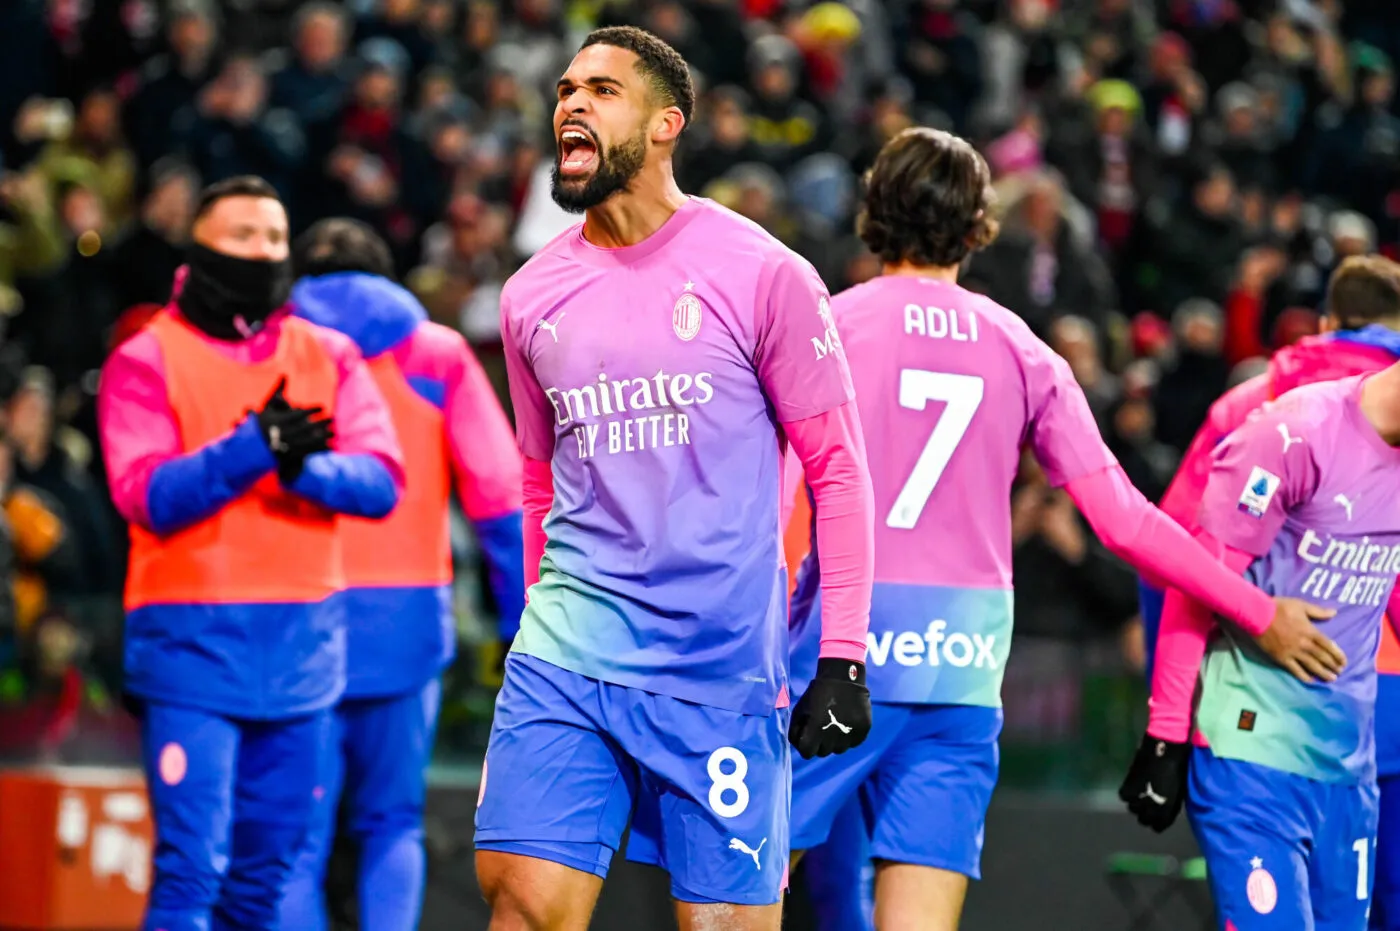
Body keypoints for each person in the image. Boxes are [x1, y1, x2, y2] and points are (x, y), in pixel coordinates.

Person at [784, 127, 1340, 931]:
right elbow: (1126, 521)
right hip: (963, 665)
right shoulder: (1022, 347)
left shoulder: (828, 326)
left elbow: (772, 502)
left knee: (740, 900)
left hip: (842, 649)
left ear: (874, 210)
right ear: (980, 226)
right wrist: (1261, 611)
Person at [475, 26, 877, 931]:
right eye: (567, 88)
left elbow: (840, 475)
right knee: (526, 904)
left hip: (720, 673)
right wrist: (541, 607)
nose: (570, 103)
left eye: (602, 91)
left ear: (667, 124)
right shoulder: (530, 296)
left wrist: (842, 655)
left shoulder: (765, 273)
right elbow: (540, 482)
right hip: (569, 656)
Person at [98, 175, 405, 931]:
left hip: (301, 657)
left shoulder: (329, 354)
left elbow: (382, 480)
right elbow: (145, 495)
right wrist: (249, 449)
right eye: (243, 237)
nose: (263, 252)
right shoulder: (145, 356)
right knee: (191, 872)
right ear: (198, 247)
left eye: (273, 238)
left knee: (264, 883)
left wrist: (301, 466)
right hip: (190, 653)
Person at [1129, 255, 1400, 930]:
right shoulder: (1293, 430)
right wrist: (1165, 734)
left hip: (1350, 774)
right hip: (1249, 760)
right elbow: (1193, 575)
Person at [278, 218, 525, 931]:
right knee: (392, 821)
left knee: (296, 839)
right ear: (386, 274)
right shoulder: (437, 352)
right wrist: (517, 620)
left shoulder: (273, 346)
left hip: (297, 615)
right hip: (407, 618)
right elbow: (501, 494)